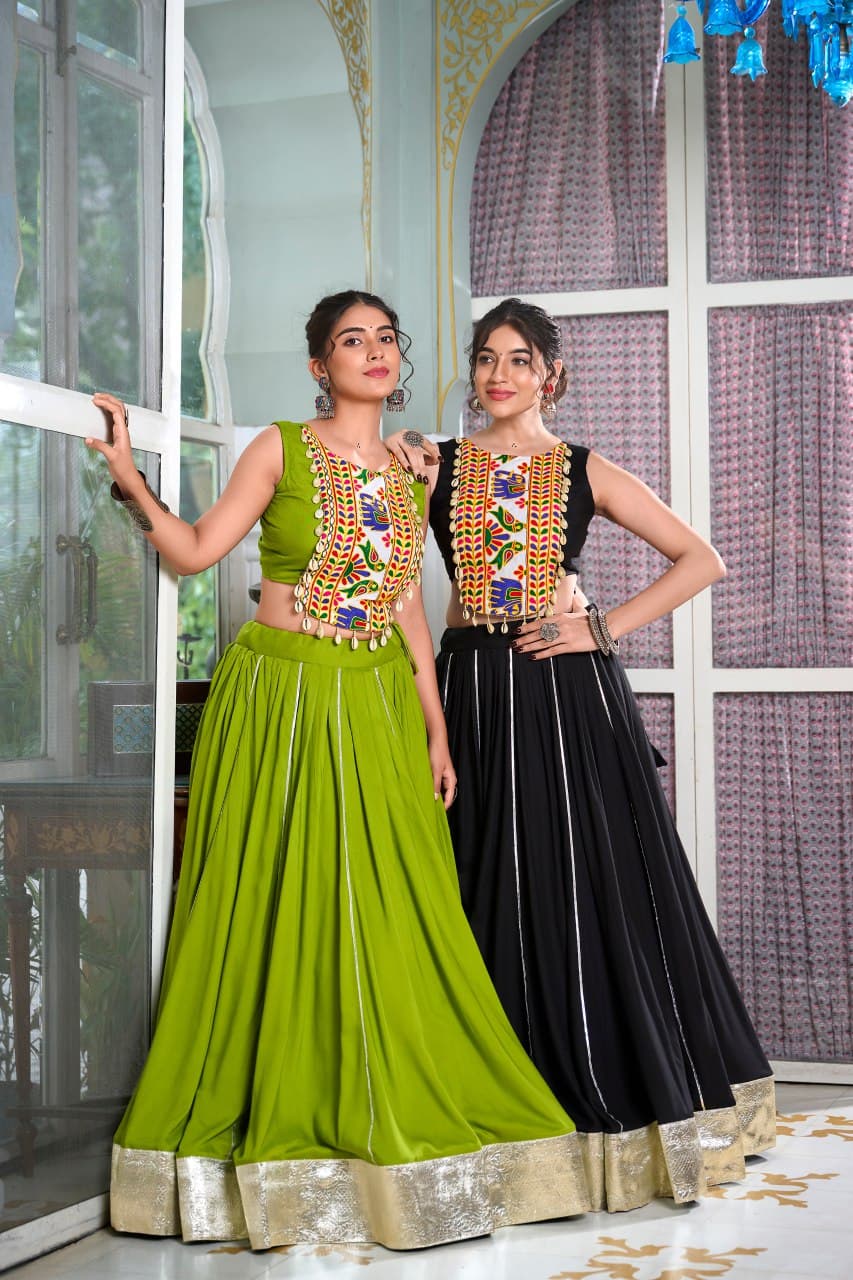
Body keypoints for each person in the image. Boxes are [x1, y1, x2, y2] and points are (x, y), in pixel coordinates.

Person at [85, 291, 590, 1252]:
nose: (372, 353)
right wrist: (128, 477)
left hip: (377, 707)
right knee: (280, 905)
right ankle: (275, 1129)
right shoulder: (278, 447)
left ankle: (383, 1104)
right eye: (349, 341)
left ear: (400, 363)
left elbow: (406, 605)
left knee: (392, 909)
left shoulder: (410, 472)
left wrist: (437, 732)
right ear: (320, 365)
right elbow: (195, 555)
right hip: (282, 695)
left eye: (385, 340)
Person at [387, 297, 775, 1213]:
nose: (497, 375)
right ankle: (492, 1089)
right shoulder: (435, 464)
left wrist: (598, 627)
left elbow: (700, 558)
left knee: (577, 880)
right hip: (474, 686)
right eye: (485, 358)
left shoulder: (583, 469)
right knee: (481, 877)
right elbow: (401, 580)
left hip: (563, 693)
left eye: (519, 360)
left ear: (550, 377)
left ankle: (602, 1093)